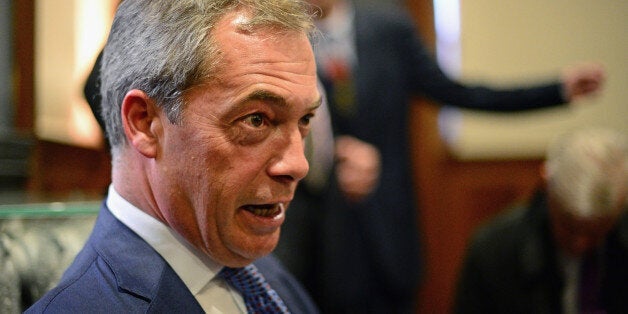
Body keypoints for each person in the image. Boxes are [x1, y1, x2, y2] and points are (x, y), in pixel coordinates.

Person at [278, 0, 606, 313]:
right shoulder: (277, 38)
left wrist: (556, 90)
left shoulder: (388, 28)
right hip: (311, 238)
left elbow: (458, 93)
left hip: (384, 235)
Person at [26, 0, 321, 313]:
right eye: (256, 120)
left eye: (304, 120)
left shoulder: (262, 274)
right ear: (145, 123)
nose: (298, 165)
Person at [454, 128, 628, 313]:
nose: (580, 244)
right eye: (568, 225)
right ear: (547, 185)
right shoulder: (493, 250)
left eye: (596, 231)